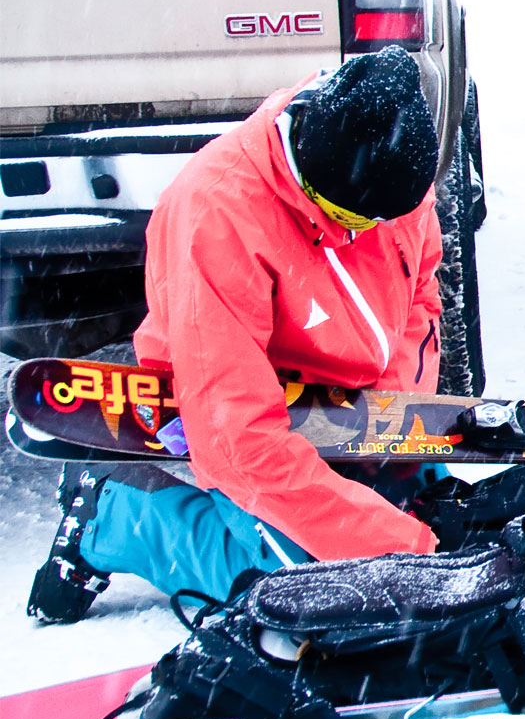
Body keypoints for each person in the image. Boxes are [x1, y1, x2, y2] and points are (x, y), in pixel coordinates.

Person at [28, 46, 446, 624]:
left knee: (442, 519)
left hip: (351, 405)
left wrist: (378, 422)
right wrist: (400, 552)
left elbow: (421, 296)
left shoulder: (388, 168)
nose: (369, 234)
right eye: (352, 221)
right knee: (305, 589)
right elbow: (237, 440)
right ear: (313, 182)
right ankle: (114, 512)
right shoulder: (217, 215)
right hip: (246, 403)